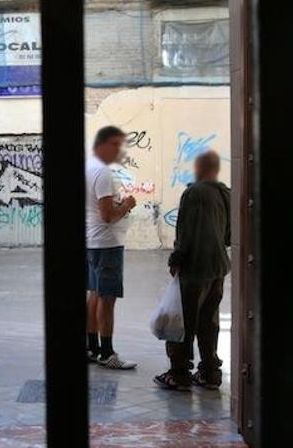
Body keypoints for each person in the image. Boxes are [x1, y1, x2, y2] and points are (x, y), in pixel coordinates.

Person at [154, 150, 230, 390]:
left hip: (195, 267)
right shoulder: (225, 193)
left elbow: (185, 232)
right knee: (209, 321)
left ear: (199, 169)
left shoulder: (193, 193)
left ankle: (179, 373)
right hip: (217, 267)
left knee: (183, 319)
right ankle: (209, 372)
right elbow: (230, 234)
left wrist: (176, 259)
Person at [85, 126, 137, 370]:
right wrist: (126, 204)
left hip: (92, 242)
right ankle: (107, 353)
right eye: (116, 144)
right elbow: (107, 215)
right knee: (107, 299)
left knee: (95, 294)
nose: (119, 150)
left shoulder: (88, 167)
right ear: (103, 145)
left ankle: (92, 348)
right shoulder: (103, 173)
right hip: (107, 244)